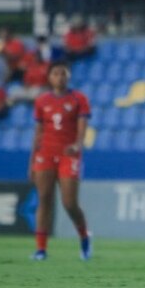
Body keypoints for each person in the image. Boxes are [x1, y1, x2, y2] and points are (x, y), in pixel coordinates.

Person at [29, 62, 92, 261]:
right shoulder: (41, 101)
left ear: (68, 76)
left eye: (63, 73)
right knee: (45, 199)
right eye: (56, 73)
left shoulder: (78, 99)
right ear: (50, 77)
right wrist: (32, 160)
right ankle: (41, 249)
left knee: (69, 202)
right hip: (45, 153)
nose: (60, 77)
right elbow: (38, 132)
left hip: (68, 153)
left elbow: (82, 126)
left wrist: (78, 144)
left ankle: (84, 236)